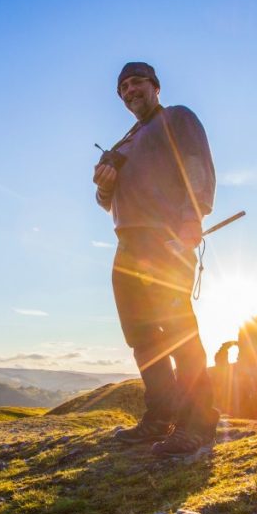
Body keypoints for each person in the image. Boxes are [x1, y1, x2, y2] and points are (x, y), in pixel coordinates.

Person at [93, 61, 219, 457]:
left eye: (137, 82)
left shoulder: (177, 118)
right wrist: (103, 186)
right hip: (127, 245)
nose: (130, 90)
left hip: (165, 238)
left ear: (155, 86)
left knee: (177, 328)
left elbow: (197, 166)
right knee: (142, 337)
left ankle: (198, 422)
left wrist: (192, 218)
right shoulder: (124, 143)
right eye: (123, 87)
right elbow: (105, 202)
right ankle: (160, 417)